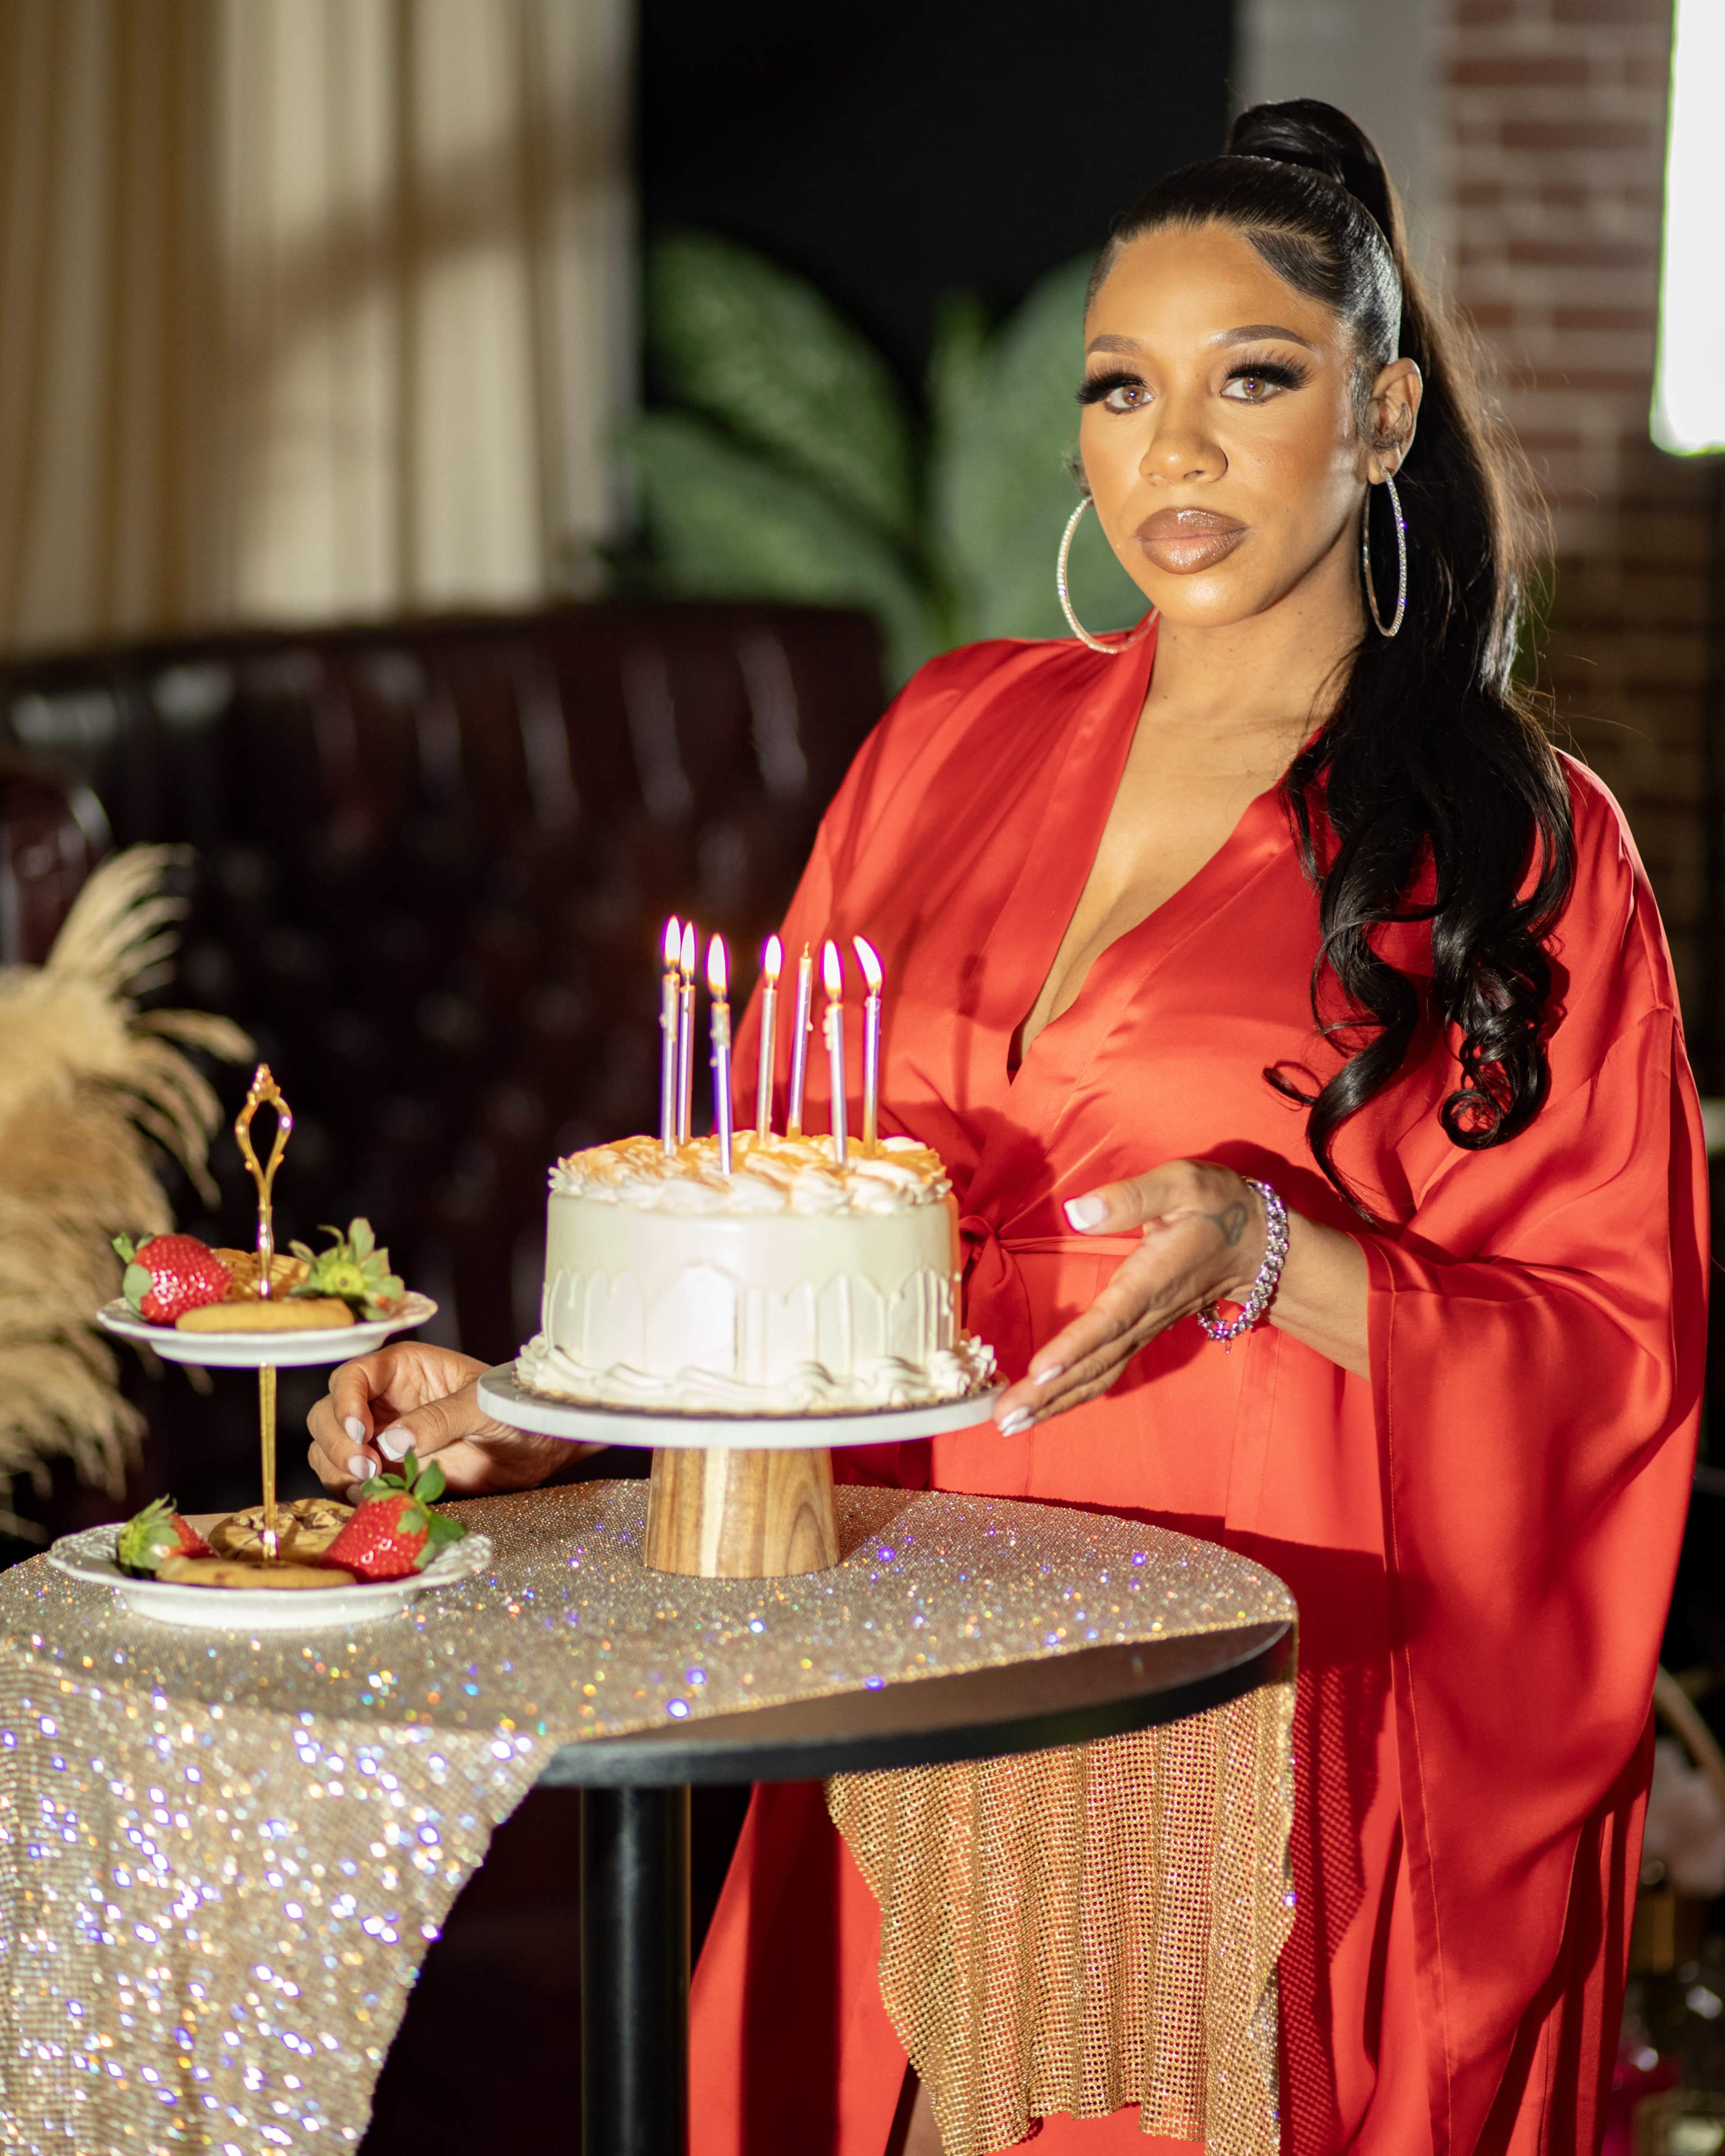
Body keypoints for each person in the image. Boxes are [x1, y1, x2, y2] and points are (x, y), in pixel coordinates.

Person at [308, 101, 1706, 2156]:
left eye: (1256, 381)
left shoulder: (1521, 844)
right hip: (907, 1622)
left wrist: (1268, 1256)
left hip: (1231, 1657)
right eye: (1123, 389)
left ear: (1386, 416)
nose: (1177, 451)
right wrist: (539, 1418)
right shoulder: (949, 738)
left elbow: (1619, 1357)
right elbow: (780, 1215)